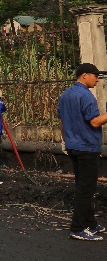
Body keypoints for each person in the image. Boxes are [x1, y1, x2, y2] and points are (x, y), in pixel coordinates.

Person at [58, 62, 107, 241]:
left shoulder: (65, 94)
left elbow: (61, 121)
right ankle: (77, 228)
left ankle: (91, 224)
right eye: (95, 76)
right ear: (84, 75)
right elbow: (94, 122)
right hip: (87, 147)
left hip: (73, 146)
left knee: (82, 186)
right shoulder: (86, 96)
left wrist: (67, 139)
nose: (97, 79)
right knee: (86, 190)